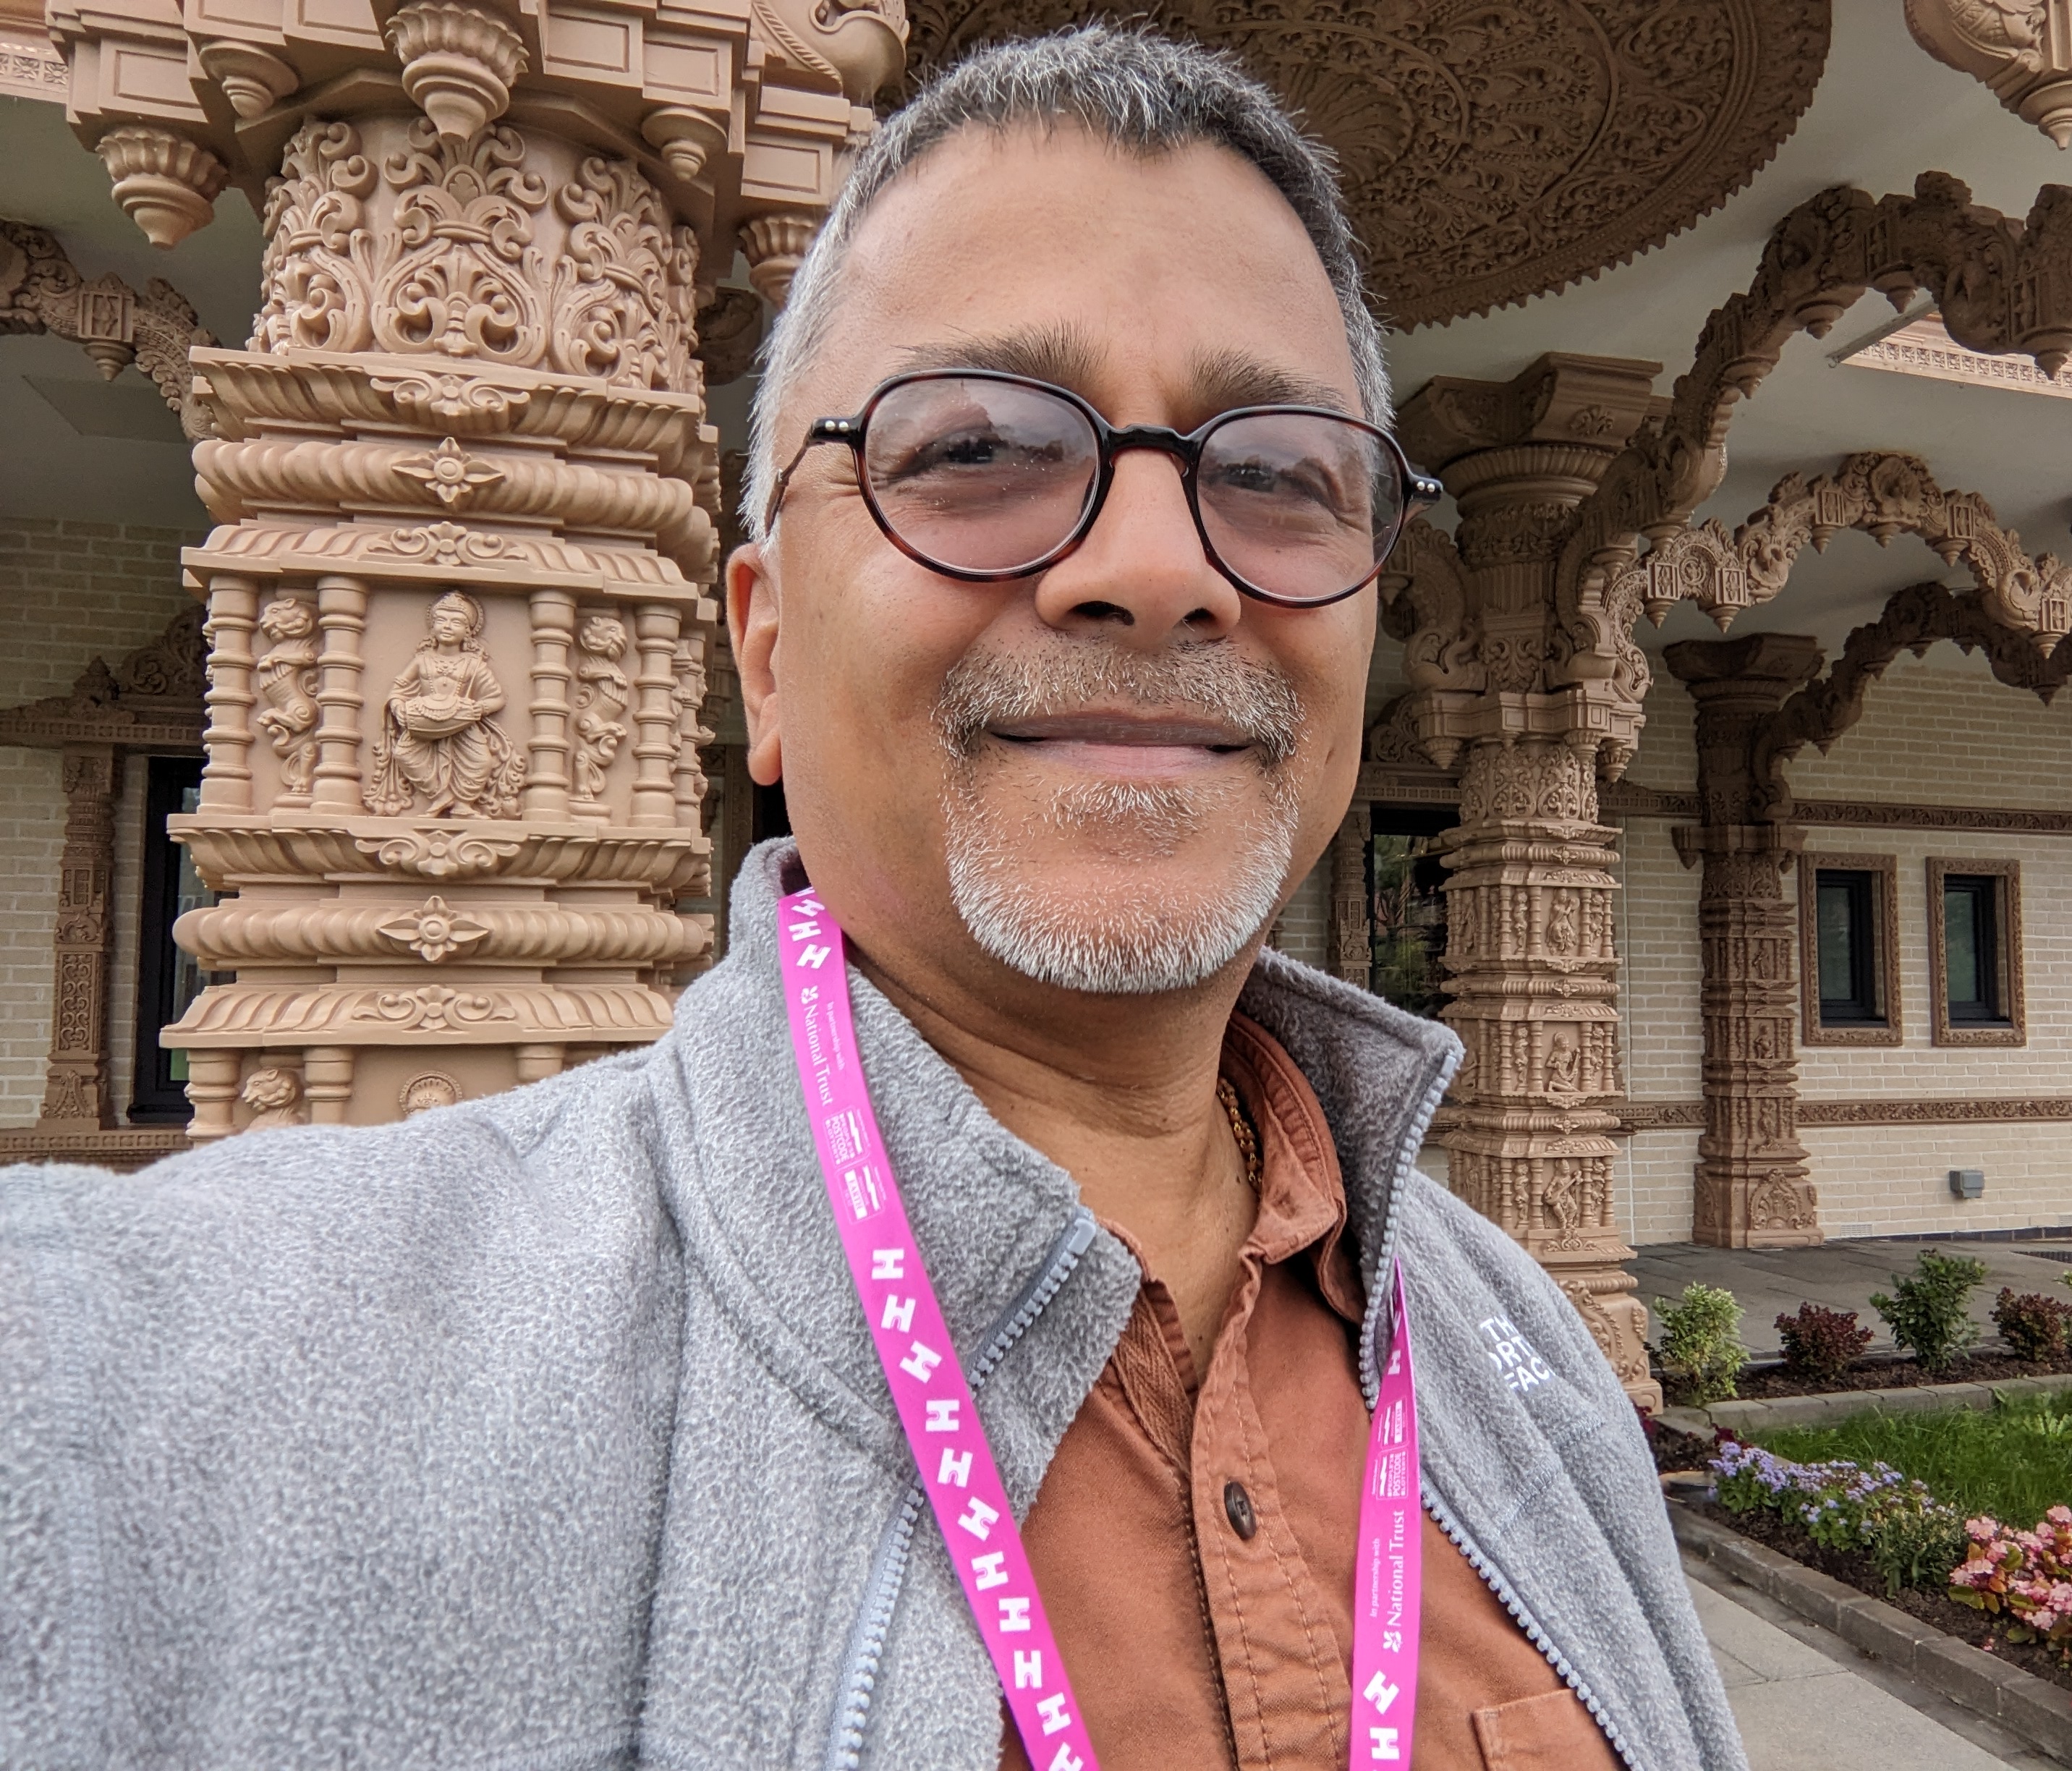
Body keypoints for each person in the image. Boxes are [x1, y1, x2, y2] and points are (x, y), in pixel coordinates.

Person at [0, 26, 1744, 1771]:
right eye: (979, 444)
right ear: (760, 649)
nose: (1153, 571)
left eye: (1275, 474)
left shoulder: (1514, 1353)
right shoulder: (191, 1391)